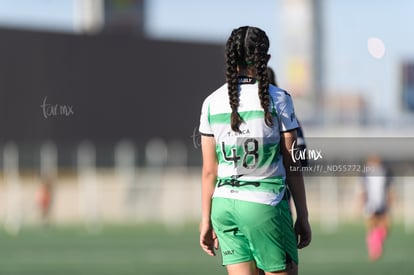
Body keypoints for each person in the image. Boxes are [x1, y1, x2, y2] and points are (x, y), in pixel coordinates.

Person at [199, 26, 311, 275]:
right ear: (265, 59)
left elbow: (209, 171)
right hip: (265, 204)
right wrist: (302, 216)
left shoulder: (211, 102)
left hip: (224, 206)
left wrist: (206, 219)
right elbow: (293, 166)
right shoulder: (279, 98)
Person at [359, 155, 393, 261]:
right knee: (371, 227)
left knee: (386, 228)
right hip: (370, 204)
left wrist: (390, 202)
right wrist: (361, 204)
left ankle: (376, 244)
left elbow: (390, 190)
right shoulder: (365, 174)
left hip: (382, 204)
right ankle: (374, 250)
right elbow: (363, 190)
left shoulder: (385, 172)